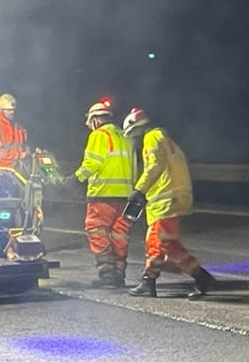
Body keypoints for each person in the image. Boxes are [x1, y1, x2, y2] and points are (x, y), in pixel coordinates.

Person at [122, 108, 217, 298]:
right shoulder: (165, 138)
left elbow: (154, 166)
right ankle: (149, 281)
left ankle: (200, 277)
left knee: (165, 244)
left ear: (138, 129)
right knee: (158, 242)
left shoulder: (151, 138)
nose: (134, 140)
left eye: (133, 135)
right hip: (173, 198)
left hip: (165, 200)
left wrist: (140, 190)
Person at [73, 98, 137, 288]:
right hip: (126, 196)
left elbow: (92, 163)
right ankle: (119, 273)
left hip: (103, 194)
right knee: (120, 234)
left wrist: (76, 178)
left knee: (97, 230)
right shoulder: (126, 137)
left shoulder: (99, 135)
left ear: (95, 120)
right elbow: (135, 167)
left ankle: (107, 275)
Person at [0, 93, 28, 168]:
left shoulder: (18, 128)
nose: (12, 112)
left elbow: (24, 147)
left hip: (18, 172)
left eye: (13, 110)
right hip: (0, 175)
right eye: (9, 110)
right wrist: (19, 155)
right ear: (1, 110)